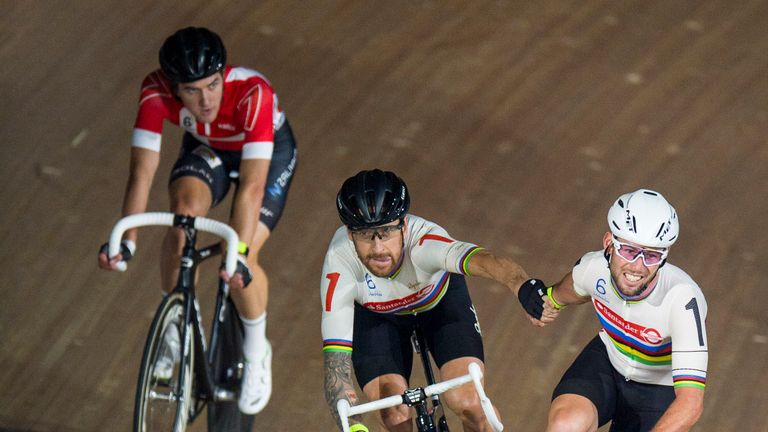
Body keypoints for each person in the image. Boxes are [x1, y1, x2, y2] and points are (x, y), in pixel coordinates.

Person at [97, 26, 298, 415]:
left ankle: (257, 350)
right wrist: (127, 238)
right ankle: (175, 329)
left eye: (212, 85)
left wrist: (237, 252)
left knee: (241, 254)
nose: (205, 100)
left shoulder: (254, 93)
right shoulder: (154, 92)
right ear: (174, 88)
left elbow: (253, 188)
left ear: (224, 74)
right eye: (191, 90)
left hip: (267, 160)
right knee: (182, 222)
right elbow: (142, 171)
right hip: (209, 150)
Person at [321, 169, 553, 432]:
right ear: (350, 235)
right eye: (365, 234)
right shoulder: (339, 263)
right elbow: (335, 372)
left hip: (438, 305)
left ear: (404, 226)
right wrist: (353, 426)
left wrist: (520, 284)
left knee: (468, 400)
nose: (378, 247)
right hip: (377, 318)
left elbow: (485, 261)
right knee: (392, 414)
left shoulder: (425, 242)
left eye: (386, 231)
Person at [518, 188, 708, 431]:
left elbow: (691, 404)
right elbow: (564, 293)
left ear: (664, 256)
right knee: (565, 423)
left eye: (651, 256)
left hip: (659, 389)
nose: (637, 266)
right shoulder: (592, 268)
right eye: (629, 250)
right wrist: (546, 302)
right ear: (609, 243)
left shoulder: (682, 299)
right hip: (608, 361)